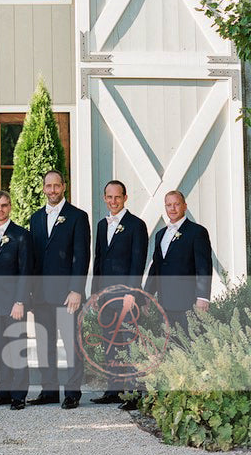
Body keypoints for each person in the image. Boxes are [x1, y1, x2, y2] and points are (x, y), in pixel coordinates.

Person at [28, 170, 90, 410]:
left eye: (57, 186)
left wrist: (76, 289)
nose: (52, 190)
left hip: (67, 295)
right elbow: (33, 258)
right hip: (41, 293)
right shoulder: (35, 218)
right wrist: (31, 292)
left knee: (71, 344)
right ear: (43, 188)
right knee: (45, 342)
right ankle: (49, 390)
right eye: (48, 186)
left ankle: (73, 392)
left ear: (64, 186)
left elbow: (81, 255)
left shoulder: (77, 217)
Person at [90, 180, 148, 405]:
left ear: (125, 197)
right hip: (105, 295)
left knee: (128, 342)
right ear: (104, 198)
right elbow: (99, 260)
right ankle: (113, 390)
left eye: (117, 197)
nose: (113, 201)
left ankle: (133, 394)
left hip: (126, 296)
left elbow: (138, 261)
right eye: (109, 197)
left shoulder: (136, 225)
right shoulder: (102, 225)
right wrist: (95, 292)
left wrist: (132, 292)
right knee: (109, 342)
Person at [0, 189, 33, 410]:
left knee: (17, 347)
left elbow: (25, 271)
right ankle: (2, 391)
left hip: (14, 303)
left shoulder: (21, 235)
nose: (0, 209)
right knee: (0, 347)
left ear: (10, 206)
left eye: (4, 205)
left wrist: (20, 301)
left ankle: (19, 394)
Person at [144, 190, 212, 332]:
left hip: (188, 301)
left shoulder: (197, 232)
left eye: (176, 204)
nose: (172, 208)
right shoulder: (160, 234)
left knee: (189, 345)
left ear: (185, 206)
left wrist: (203, 297)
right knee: (169, 345)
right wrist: (147, 294)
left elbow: (203, 266)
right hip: (164, 301)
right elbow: (156, 266)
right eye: (169, 205)